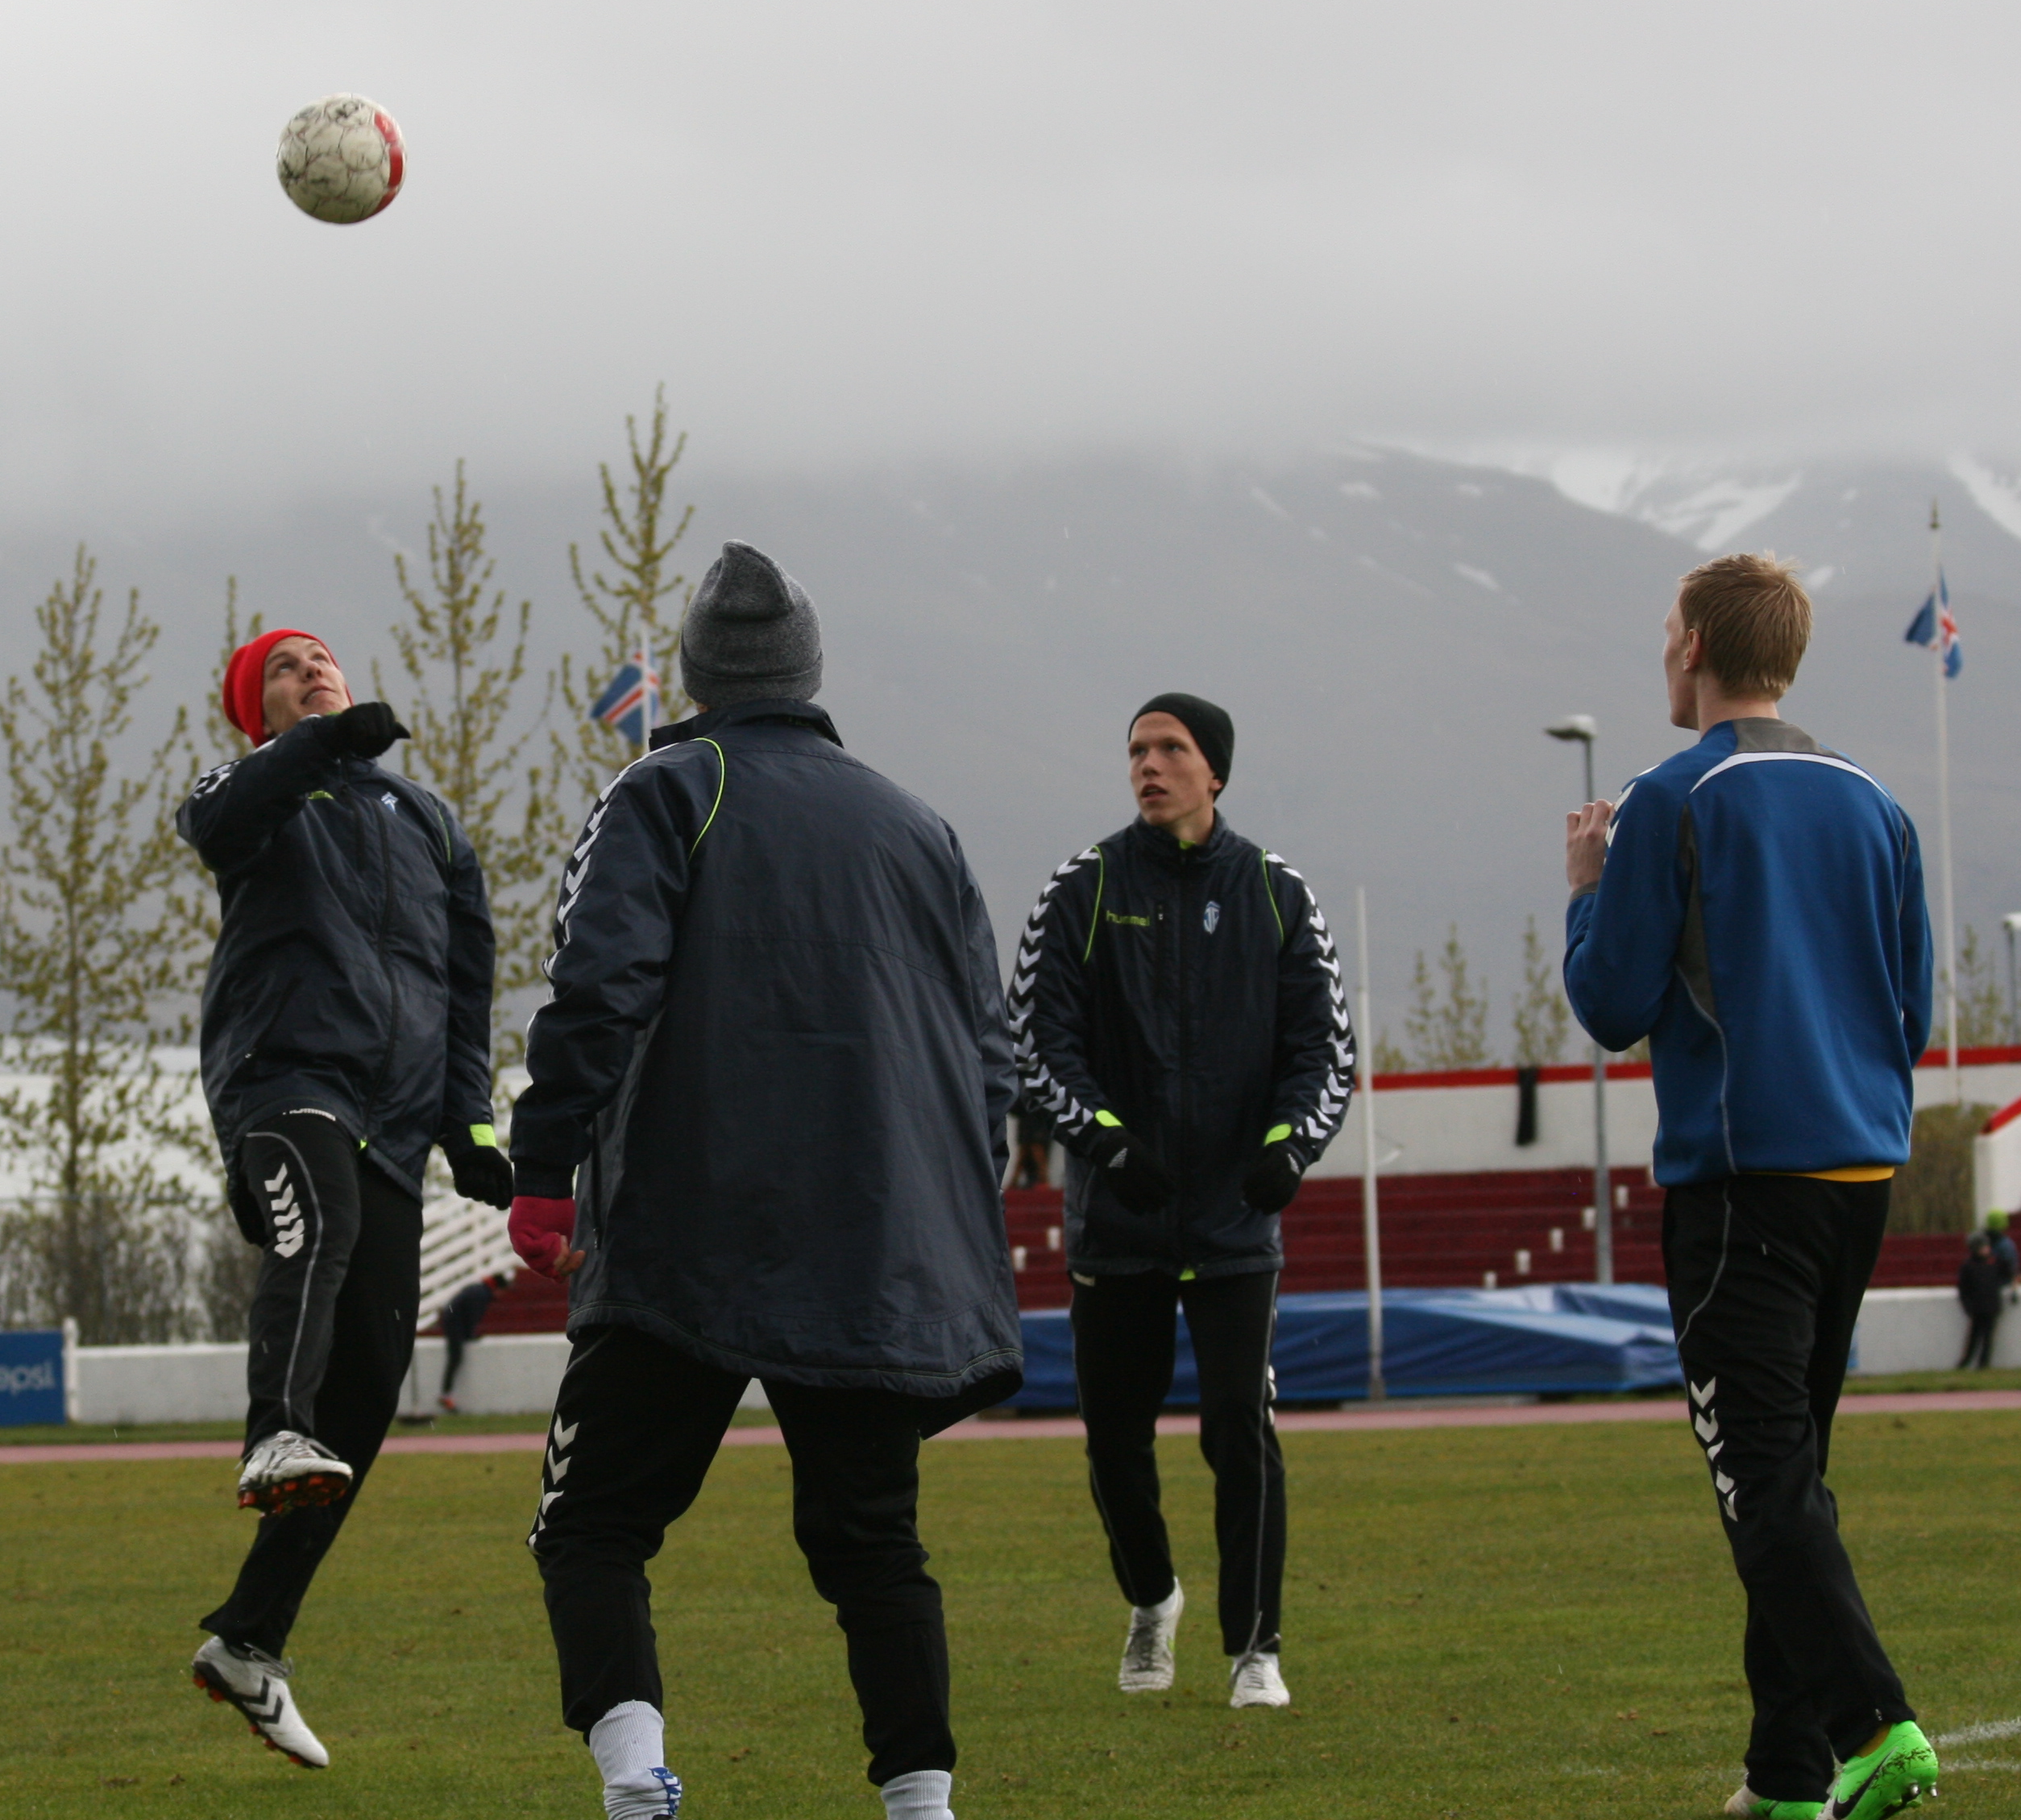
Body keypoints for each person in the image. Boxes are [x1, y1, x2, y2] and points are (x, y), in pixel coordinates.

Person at [506, 541, 1019, 1820]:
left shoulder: (667, 788)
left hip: (687, 1241)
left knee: (591, 1524)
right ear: (809, 672)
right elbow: (988, 1056)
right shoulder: (919, 826)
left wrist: (543, 1169)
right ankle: (922, 1805)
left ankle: (637, 1783)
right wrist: (947, 1206)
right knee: (873, 1544)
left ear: (696, 675)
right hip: (871, 1247)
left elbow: (595, 990)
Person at [1562, 553, 1941, 1820]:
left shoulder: (1670, 800)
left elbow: (1613, 1003)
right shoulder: (1877, 803)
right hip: (1858, 1174)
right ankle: (1784, 1777)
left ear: (1694, 649)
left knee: (1759, 1476)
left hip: (1743, 1186)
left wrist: (1585, 893)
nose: (1662, 653)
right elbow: (1913, 1012)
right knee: (1789, 1473)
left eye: (1666, 632)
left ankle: (1873, 1729)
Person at [175, 625, 509, 1768]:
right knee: (313, 1223)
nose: (310, 670)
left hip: (398, 1121)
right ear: (257, 713)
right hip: (286, 1080)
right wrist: (315, 747)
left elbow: (466, 982)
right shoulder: (251, 792)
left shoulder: (431, 822)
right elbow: (217, 824)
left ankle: (249, 1641)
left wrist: (470, 1124)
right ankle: (272, 1432)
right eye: (283, 669)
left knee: (369, 1384)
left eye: (321, 658)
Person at [1009, 692, 1351, 1710]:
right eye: (1137, 750)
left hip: (1236, 1225)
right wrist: (1109, 1144)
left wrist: (1289, 1149)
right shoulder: (1083, 888)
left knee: (1238, 1430)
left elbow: (1324, 1049)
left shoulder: (1276, 894)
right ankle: (1152, 1599)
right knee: (1116, 1440)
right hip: (1117, 1223)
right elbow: (1037, 1039)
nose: (1148, 766)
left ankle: (1256, 1649)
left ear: (1216, 771)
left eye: (1170, 749)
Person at [434, 1268, 515, 1415]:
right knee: (455, 1359)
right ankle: (445, 1395)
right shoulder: (481, 1294)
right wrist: (470, 1335)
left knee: (455, 1359)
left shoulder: (478, 1290)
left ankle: (446, 1395)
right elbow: (472, 1317)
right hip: (454, 1325)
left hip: (452, 1323)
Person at [1953, 1238, 2003, 1371]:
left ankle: (1983, 1363)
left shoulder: (1993, 1263)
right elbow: (1964, 1290)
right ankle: (1966, 1361)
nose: (1987, 1249)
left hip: (1990, 1306)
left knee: (1987, 1337)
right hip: (1977, 1307)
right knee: (1974, 1337)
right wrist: (1968, 1307)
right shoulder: (1969, 1266)